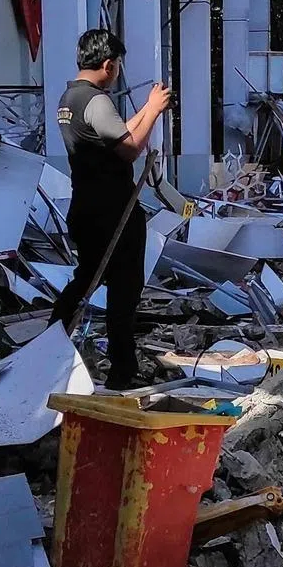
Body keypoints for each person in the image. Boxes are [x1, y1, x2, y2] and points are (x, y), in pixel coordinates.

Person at [49, 29, 170, 391]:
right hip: (113, 211)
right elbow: (131, 147)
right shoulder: (97, 101)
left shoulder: (71, 98)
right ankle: (121, 370)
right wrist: (155, 112)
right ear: (108, 64)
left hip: (86, 206)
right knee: (124, 289)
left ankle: (49, 347)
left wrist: (145, 110)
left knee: (86, 278)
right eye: (117, 65)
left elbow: (116, 135)